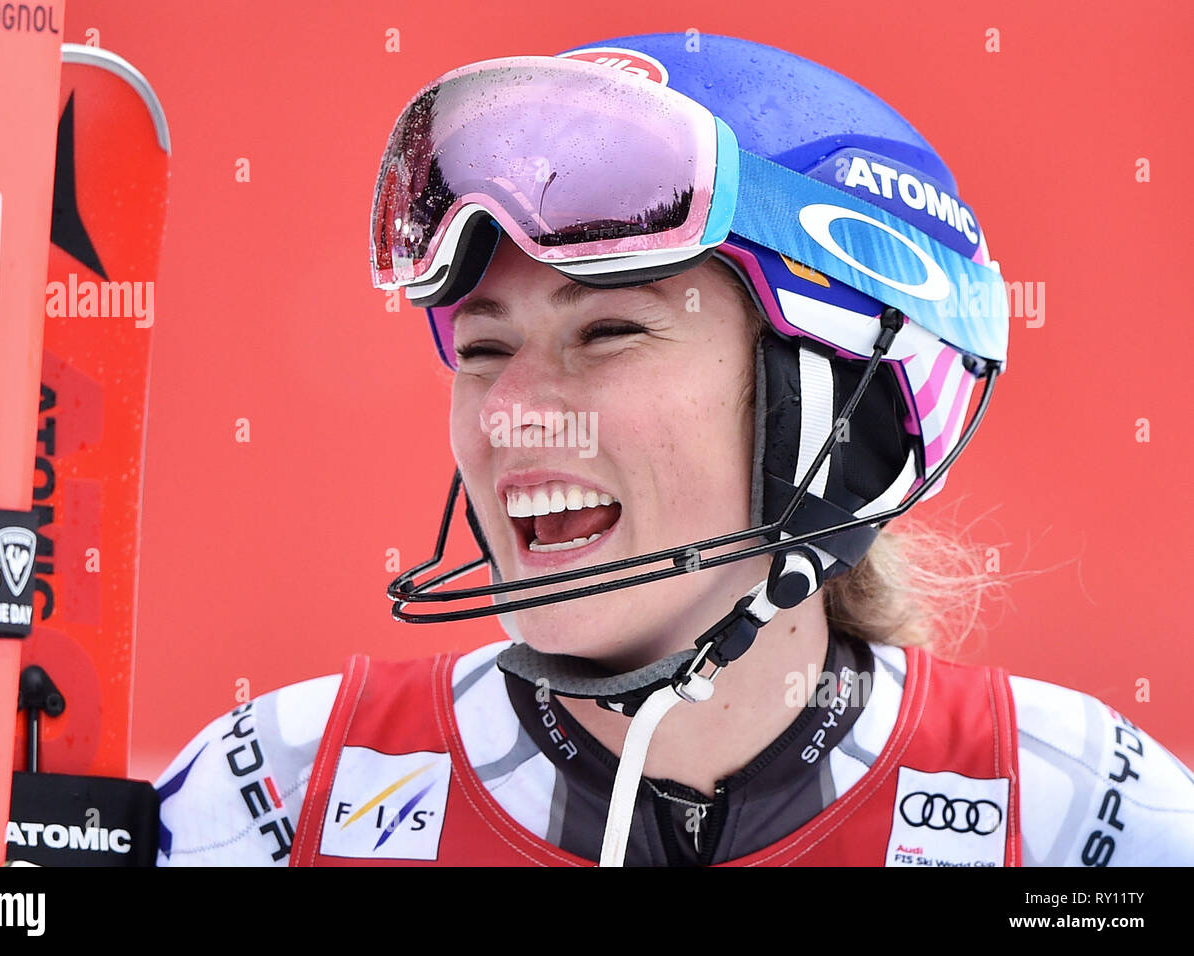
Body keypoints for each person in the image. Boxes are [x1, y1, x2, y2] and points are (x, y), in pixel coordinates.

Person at [154, 32, 1194, 867]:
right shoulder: (273, 801)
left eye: (606, 332)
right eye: (482, 349)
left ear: (839, 409)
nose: (511, 411)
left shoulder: (1082, 818)